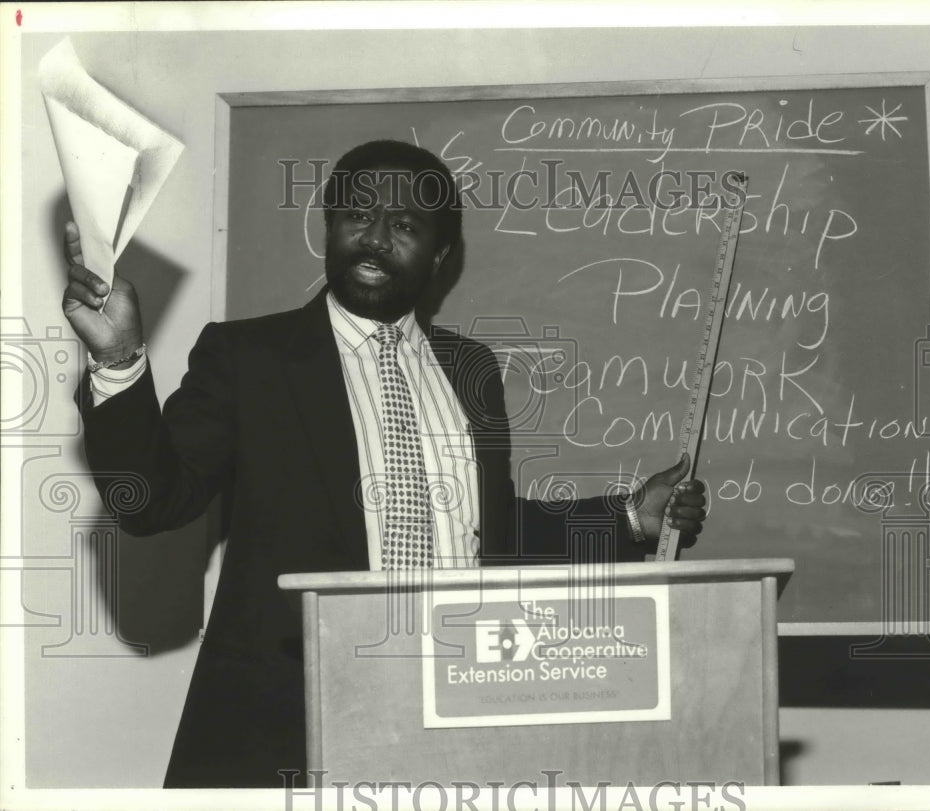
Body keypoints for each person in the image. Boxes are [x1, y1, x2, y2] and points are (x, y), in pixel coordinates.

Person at [62, 140, 708, 788]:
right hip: (284, 740)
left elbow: (489, 534)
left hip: (454, 732)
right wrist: (118, 359)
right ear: (329, 226)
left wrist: (628, 516)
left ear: (440, 254)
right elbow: (149, 501)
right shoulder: (249, 357)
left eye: (404, 225)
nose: (374, 237)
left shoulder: (472, 369)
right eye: (358, 215)